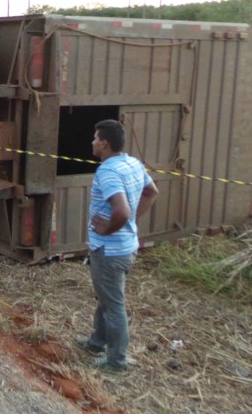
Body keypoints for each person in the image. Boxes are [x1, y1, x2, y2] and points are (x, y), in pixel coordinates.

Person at [75, 119, 159, 371]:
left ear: (104, 143)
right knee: (106, 297)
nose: (92, 142)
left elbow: (121, 210)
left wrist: (110, 226)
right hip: (125, 247)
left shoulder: (108, 172)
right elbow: (152, 192)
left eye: (94, 138)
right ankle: (97, 341)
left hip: (110, 251)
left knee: (113, 306)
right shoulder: (133, 163)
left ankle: (117, 361)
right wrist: (130, 219)